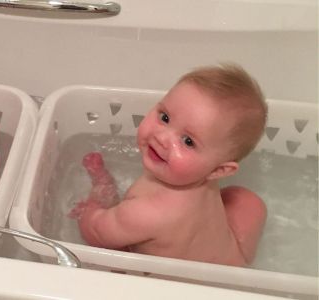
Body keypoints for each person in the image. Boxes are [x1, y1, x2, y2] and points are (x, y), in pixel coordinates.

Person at [71, 64, 268, 266]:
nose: (162, 138)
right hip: (229, 261)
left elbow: (97, 234)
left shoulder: (148, 212)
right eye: (165, 117)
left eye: (188, 141)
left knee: (119, 245)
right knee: (245, 200)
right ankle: (239, 265)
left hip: (181, 287)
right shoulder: (198, 176)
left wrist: (90, 209)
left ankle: (103, 190)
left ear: (219, 170)